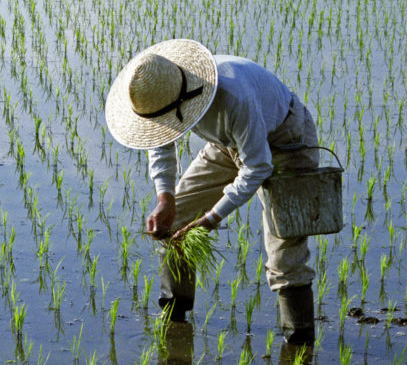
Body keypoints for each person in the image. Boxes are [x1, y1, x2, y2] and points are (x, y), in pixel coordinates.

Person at [105, 39, 319, 344]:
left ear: (183, 101)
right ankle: (174, 318)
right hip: (227, 143)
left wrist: (210, 220)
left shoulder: (234, 97)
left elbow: (257, 167)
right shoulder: (161, 95)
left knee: (285, 250)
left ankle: (299, 345)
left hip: (286, 140)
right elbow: (161, 141)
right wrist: (166, 197)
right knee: (176, 222)